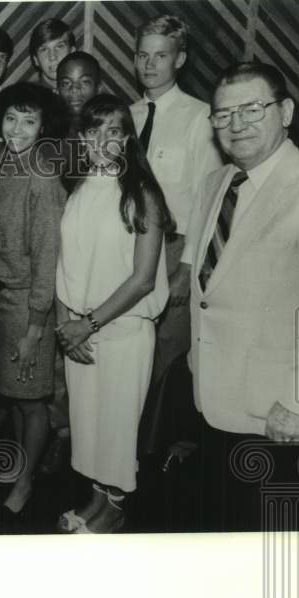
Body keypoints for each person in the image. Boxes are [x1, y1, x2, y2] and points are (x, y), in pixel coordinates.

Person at [181, 62, 299, 532]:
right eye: (223, 115)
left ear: (285, 112)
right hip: (216, 405)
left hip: (282, 419)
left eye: (251, 109)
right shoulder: (214, 185)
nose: (236, 124)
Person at [55, 94, 174, 534]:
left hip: (121, 331)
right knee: (88, 429)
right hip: (79, 333)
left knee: (117, 432)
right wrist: (67, 328)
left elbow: (142, 279)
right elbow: (65, 265)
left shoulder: (142, 195)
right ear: (82, 138)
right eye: (93, 130)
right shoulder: (81, 188)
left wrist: (86, 324)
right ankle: (93, 502)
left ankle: (115, 513)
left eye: (113, 130)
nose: (102, 139)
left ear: (126, 139)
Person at [130, 15, 223, 458]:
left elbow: (207, 201)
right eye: (143, 55)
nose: (150, 64)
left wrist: (187, 270)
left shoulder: (200, 118)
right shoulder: (126, 116)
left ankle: (154, 463)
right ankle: (124, 454)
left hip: (173, 253)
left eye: (160, 56)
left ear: (180, 60)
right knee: (132, 359)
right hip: (128, 254)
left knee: (164, 362)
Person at [0, 82, 68, 515]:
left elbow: (48, 259)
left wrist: (35, 328)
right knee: (10, 391)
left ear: (43, 126)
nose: (17, 128)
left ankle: (27, 480)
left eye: (28, 121)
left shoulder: (43, 176)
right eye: (11, 118)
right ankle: (19, 463)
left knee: (31, 400)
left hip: (26, 305)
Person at [56, 52, 102, 132]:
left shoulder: (109, 132)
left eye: (84, 82)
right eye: (66, 83)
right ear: (57, 91)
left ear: (98, 88)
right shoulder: (46, 132)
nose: (74, 89)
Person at [29, 19, 76, 92]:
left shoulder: (89, 94)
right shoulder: (27, 99)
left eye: (59, 46)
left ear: (72, 52)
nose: (52, 57)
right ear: (36, 60)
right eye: (44, 49)